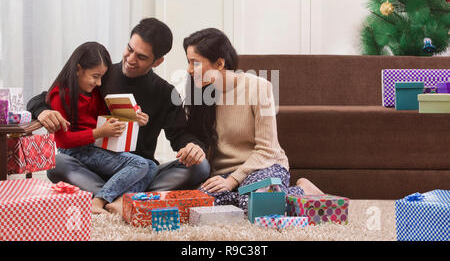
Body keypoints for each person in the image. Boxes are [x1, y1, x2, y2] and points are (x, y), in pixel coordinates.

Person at [27, 18, 210, 206]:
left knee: (200, 166)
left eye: (141, 57)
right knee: (57, 162)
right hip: (94, 167)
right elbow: (51, 95)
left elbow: (179, 135)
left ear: (157, 62)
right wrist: (41, 111)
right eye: (130, 49)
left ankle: (112, 195)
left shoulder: (165, 92)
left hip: (141, 170)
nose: (130, 59)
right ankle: (128, 197)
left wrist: (193, 146)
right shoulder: (101, 76)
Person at [182, 28, 324, 212]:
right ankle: (288, 195)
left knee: (261, 205)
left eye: (195, 63)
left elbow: (267, 149)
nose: (189, 69)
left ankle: (302, 190)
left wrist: (233, 180)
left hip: (263, 166)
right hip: (224, 174)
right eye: (188, 62)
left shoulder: (259, 87)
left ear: (219, 64)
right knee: (196, 206)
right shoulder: (199, 94)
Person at [47, 41, 158, 214]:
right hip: (76, 151)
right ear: (78, 69)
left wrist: (132, 118)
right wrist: (99, 132)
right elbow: (63, 141)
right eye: (95, 76)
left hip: (96, 147)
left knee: (151, 165)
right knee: (139, 164)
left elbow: (105, 118)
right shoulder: (60, 94)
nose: (98, 83)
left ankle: (121, 201)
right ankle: (99, 199)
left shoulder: (94, 94)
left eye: (101, 77)